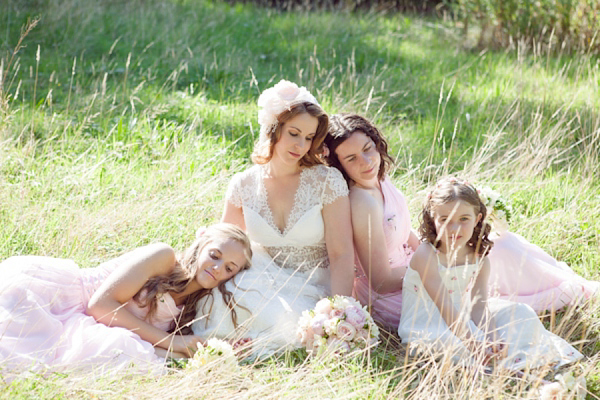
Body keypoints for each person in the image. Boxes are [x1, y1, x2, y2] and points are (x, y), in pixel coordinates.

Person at [324, 113, 598, 330]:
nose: (366, 161)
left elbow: (403, 231)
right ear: (340, 166)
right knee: (488, 260)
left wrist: (437, 249)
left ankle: (569, 285)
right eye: (351, 158)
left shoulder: (377, 177)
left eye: (368, 149)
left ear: (376, 142)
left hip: (419, 265)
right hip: (399, 295)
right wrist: (441, 264)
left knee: (496, 245)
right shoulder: (362, 203)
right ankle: (563, 292)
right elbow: (380, 280)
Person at [192, 80, 354, 356]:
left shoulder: (327, 181)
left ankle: (252, 345)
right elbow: (228, 245)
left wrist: (337, 312)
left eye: (308, 137)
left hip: (311, 285)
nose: (301, 145)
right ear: (273, 129)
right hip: (259, 278)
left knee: (288, 323)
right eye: (294, 133)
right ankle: (226, 347)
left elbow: (341, 254)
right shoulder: (243, 184)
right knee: (215, 301)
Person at [0, 223, 252, 379]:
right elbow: (99, 306)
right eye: (215, 255)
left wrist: (218, 352)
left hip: (99, 326)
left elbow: (147, 343)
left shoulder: (196, 304)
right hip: (65, 301)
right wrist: (172, 341)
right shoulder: (163, 258)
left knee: (127, 354)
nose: (218, 268)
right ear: (203, 243)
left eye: (229, 268)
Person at [397, 177, 582, 370]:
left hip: (461, 314)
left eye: (464, 219)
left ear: (477, 219)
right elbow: (444, 306)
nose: (455, 228)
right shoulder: (426, 254)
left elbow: (478, 307)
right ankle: (500, 364)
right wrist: (473, 341)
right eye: (445, 220)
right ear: (432, 219)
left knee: (520, 313)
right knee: (458, 343)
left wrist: (493, 336)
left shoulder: (479, 258)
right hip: (427, 323)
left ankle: (517, 357)